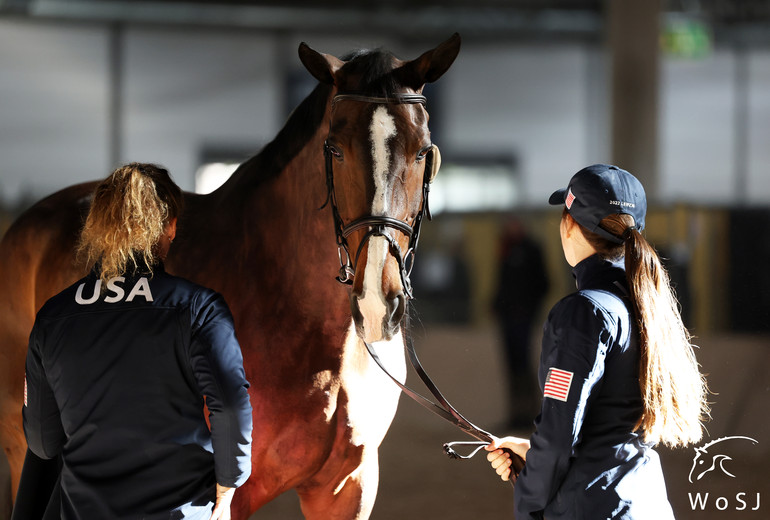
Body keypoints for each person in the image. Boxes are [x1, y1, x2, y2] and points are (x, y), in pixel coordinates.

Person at [18, 163, 253, 520]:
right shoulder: (199, 308)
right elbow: (232, 405)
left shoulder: (53, 316)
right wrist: (228, 483)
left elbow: (43, 443)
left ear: (96, 228)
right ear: (170, 227)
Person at [485, 164, 709, 519]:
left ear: (570, 224)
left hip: (591, 505)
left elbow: (559, 435)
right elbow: (598, 428)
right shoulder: (646, 303)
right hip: (645, 499)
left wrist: (529, 497)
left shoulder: (583, 312)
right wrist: (535, 453)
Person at [492, 218, 549, 428]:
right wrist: (497, 304)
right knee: (512, 365)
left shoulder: (532, 249)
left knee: (524, 364)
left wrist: (528, 309)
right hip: (507, 318)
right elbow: (502, 282)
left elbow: (544, 284)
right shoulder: (506, 248)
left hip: (523, 318)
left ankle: (532, 414)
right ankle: (516, 415)